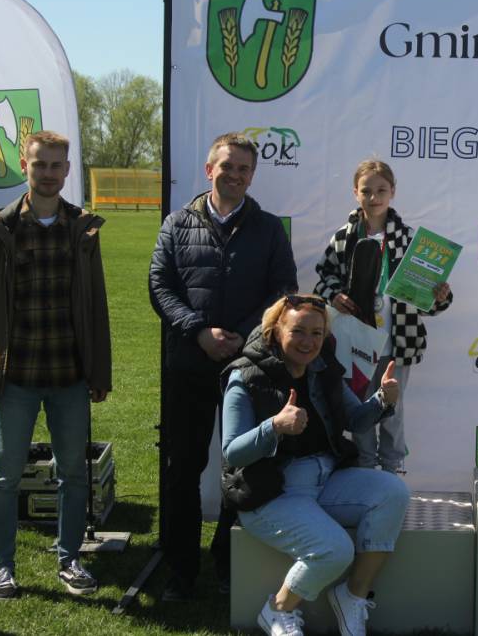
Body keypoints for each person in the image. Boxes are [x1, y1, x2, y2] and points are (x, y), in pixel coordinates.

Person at [149, 132, 298, 600]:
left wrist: (243, 337)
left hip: (247, 368)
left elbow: (283, 290)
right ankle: (180, 569)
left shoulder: (269, 228)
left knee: (245, 468)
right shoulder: (176, 223)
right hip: (188, 365)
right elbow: (160, 285)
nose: (235, 175)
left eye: (244, 169)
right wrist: (199, 332)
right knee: (182, 468)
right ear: (209, 170)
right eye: (227, 166)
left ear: (252, 176)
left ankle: (229, 561)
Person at [0, 130, 111, 601]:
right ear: (25, 166)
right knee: (5, 476)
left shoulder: (82, 229)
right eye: (39, 164)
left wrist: (99, 371)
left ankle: (70, 559)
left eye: (55, 165)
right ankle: (1, 568)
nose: (47, 173)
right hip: (15, 377)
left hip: (69, 375)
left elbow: (96, 306)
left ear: (67, 170)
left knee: (73, 474)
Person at [221, 294, 409, 636]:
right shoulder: (245, 375)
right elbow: (232, 452)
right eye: (298, 331)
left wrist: (383, 399)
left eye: (317, 333)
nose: (308, 342)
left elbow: (356, 419)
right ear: (277, 330)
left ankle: (352, 595)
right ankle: (278, 609)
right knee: (335, 550)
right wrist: (274, 426)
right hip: (270, 494)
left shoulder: (324, 368)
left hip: (324, 481)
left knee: (393, 492)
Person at [315, 160, 452, 474]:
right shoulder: (343, 237)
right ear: (355, 192)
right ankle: (364, 469)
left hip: (398, 342)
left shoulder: (410, 239)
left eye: (381, 190)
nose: (373, 197)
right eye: (366, 191)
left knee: (392, 409)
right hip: (355, 341)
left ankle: (392, 471)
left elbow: (428, 301)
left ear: (393, 192)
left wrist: (439, 296)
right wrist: (334, 295)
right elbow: (323, 278)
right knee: (361, 406)